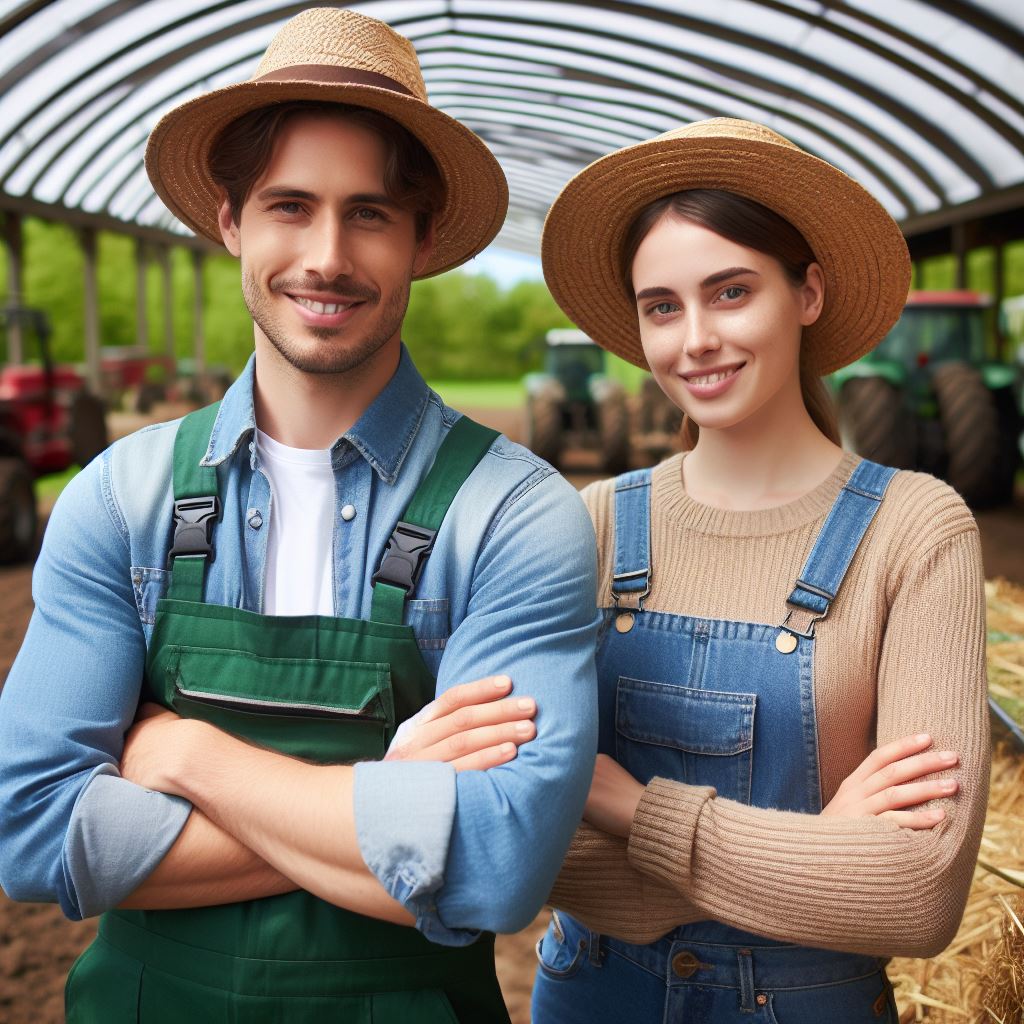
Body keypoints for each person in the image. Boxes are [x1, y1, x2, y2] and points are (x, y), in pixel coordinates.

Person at [0, 9, 599, 1022]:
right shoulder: (120, 498)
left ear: (420, 239)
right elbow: (31, 830)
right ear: (232, 220)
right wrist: (389, 794)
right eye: (289, 204)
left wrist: (190, 758)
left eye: (369, 212)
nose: (325, 255)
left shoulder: (514, 514)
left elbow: (498, 866)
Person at [529, 118, 990, 1021]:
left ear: (807, 293)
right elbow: (527, 846)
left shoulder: (916, 529)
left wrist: (627, 807)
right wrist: (818, 852)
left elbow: (917, 895)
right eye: (662, 306)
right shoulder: (588, 523)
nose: (694, 338)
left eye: (730, 292)